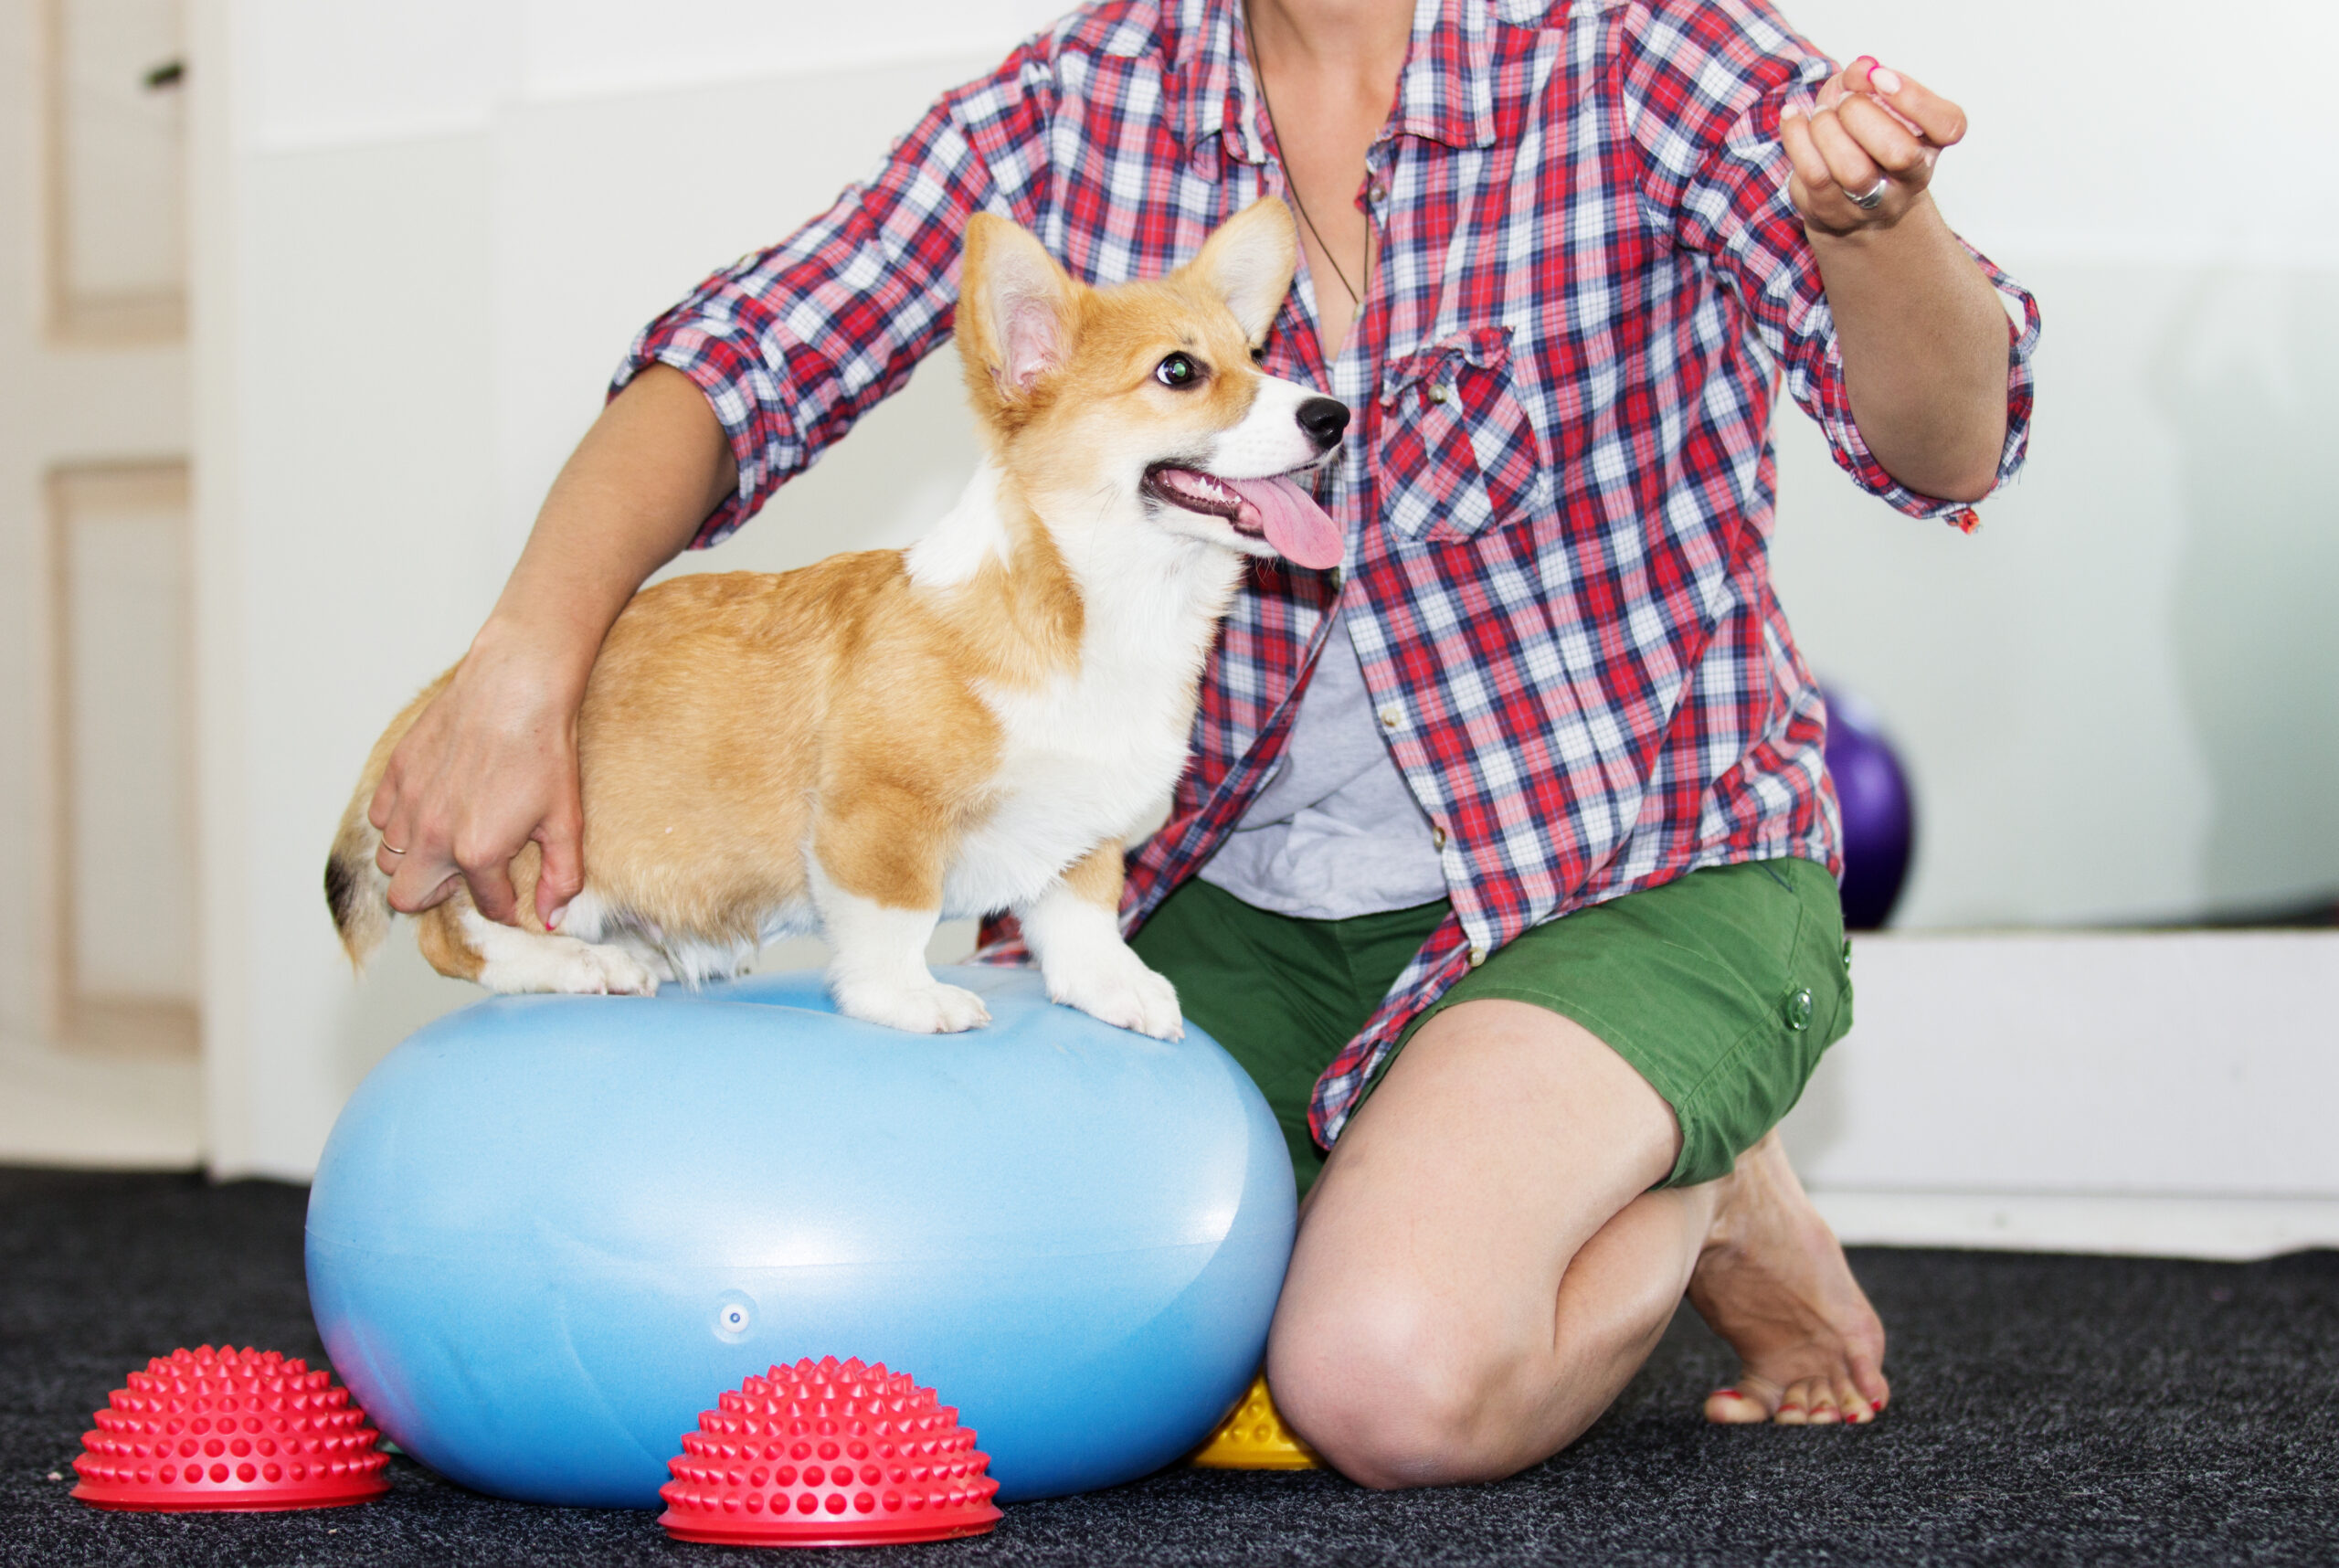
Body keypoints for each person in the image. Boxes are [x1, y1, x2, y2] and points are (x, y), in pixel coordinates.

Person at [365, 0, 2037, 1487]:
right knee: (1019, 1324)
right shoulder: (1081, 96)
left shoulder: (1642, 52)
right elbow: (751, 353)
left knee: (1376, 1384)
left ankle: (1700, 1168)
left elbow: (1955, 443)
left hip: (1625, 864)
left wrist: (1876, 227)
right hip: (1219, 905)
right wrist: (524, 660)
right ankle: (1567, 1139)